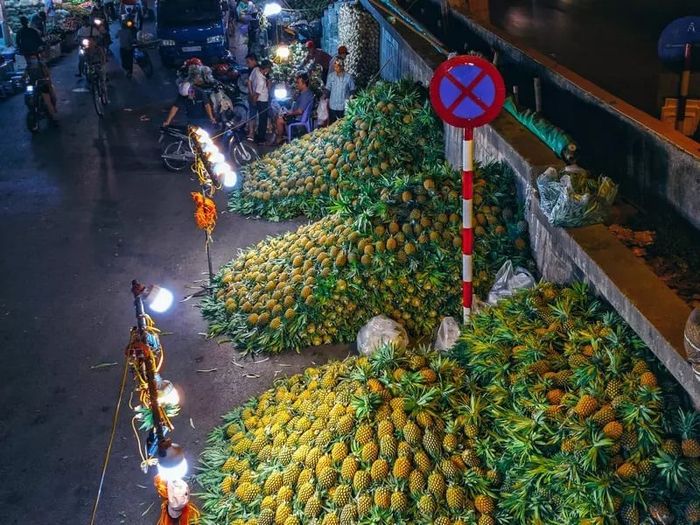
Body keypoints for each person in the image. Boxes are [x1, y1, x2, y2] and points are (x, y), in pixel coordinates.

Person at [273, 72, 315, 145]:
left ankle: (279, 138)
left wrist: (289, 113)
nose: (297, 85)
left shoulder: (306, 95)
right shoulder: (305, 93)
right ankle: (281, 135)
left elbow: (300, 111)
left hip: (298, 118)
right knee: (279, 114)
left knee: (279, 120)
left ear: (304, 83)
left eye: (298, 83)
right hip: (297, 116)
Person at [25, 56, 58, 124]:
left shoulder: (41, 64)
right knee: (27, 96)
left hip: (43, 84)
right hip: (33, 86)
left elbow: (47, 74)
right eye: (31, 58)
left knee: (48, 101)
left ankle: (52, 116)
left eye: (33, 58)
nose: (32, 60)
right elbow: (25, 75)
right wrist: (22, 79)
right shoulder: (28, 67)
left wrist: (46, 79)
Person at [325, 59, 354, 124]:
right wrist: (326, 99)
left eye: (337, 67)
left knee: (342, 124)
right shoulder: (331, 76)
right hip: (332, 106)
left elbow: (352, 89)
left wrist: (351, 98)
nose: (335, 69)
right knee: (332, 126)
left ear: (342, 67)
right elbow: (328, 89)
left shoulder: (349, 77)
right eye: (334, 67)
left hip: (343, 106)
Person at [250, 58, 271, 144]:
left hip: (258, 99)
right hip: (262, 100)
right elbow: (257, 95)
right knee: (263, 120)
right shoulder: (261, 81)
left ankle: (258, 136)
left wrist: (251, 94)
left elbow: (249, 81)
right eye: (269, 69)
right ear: (266, 68)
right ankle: (260, 138)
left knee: (261, 118)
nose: (269, 71)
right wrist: (254, 101)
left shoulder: (255, 70)